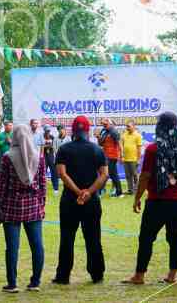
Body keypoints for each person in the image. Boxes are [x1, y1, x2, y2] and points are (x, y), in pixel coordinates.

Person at [124, 112, 177, 285]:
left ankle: (139, 275)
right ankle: (172, 275)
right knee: (175, 237)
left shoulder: (154, 149)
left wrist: (137, 197)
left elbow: (145, 176)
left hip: (157, 200)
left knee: (146, 237)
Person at [53, 115, 108, 285]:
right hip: (91, 202)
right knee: (93, 238)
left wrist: (78, 192)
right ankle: (97, 273)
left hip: (70, 200)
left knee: (67, 238)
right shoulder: (97, 150)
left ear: (73, 131)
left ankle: (63, 275)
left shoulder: (64, 149)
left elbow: (62, 173)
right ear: (88, 130)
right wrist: (88, 192)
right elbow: (104, 174)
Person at [0, 124, 46, 293]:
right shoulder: (39, 155)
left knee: (12, 247)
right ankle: (35, 281)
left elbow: (1, 186)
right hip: (33, 204)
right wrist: (41, 204)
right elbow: (43, 184)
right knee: (37, 245)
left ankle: (12, 283)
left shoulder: (7, 157)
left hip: (12, 205)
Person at [98, 119, 123, 197]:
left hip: (112, 156)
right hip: (105, 156)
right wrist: (98, 137)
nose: (104, 126)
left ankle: (118, 192)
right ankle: (118, 192)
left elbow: (119, 144)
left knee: (110, 174)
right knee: (109, 174)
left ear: (111, 124)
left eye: (106, 124)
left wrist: (121, 155)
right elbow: (101, 143)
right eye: (104, 125)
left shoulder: (114, 131)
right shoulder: (104, 132)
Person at [121, 122, 142, 195]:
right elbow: (122, 146)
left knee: (135, 175)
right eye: (126, 126)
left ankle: (137, 190)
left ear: (133, 126)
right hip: (126, 159)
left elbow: (139, 149)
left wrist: (138, 160)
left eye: (129, 126)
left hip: (134, 159)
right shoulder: (124, 135)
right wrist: (122, 156)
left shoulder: (138, 135)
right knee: (128, 176)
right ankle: (130, 190)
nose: (127, 128)